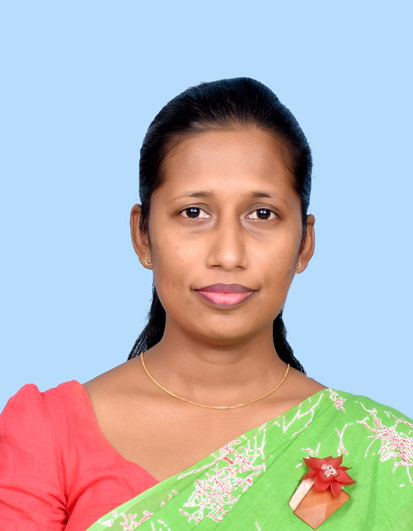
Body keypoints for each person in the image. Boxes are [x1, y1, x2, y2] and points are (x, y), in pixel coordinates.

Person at [0, 78, 411, 530]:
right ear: (143, 236)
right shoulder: (49, 434)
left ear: (304, 243)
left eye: (262, 214)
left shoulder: (381, 451)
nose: (228, 254)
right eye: (193, 212)